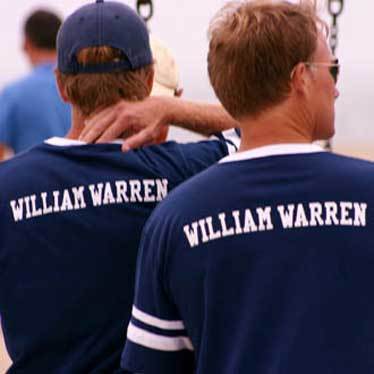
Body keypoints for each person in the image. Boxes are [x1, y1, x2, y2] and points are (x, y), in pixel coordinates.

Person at [121, 1, 374, 374]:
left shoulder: (175, 220)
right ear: (300, 78)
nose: (335, 90)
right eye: (331, 70)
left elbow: (152, 367)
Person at [0, 1, 239, 372]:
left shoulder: (9, 187)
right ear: (147, 82)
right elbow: (263, 125)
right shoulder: (182, 171)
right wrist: (171, 110)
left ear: (61, 86)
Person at [0, 9, 71, 160]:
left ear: (26, 44)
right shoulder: (83, 87)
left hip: (30, 181)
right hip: (83, 180)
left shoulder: (12, 94)